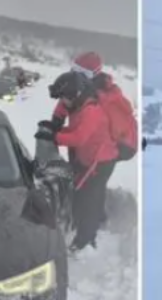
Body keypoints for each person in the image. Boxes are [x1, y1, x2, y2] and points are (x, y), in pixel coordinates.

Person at [36, 71, 118, 252]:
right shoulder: (80, 107)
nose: (63, 102)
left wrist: (54, 137)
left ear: (76, 94)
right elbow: (74, 130)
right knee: (82, 196)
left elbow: (79, 138)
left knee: (90, 200)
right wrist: (53, 130)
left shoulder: (91, 111)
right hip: (89, 160)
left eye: (64, 98)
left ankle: (85, 241)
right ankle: (82, 230)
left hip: (101, 162)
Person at [49, 52, 138, 168]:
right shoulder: (78, 87)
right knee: (80, 158)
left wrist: (56, 136)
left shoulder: (102, 98)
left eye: (84, 73)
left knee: (92, 167)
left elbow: (81, 137)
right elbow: (66, 98)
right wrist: (57, 120)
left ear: (95, 75)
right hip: (92, 140)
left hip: (120, 144)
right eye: (75, 69)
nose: (78, 75)